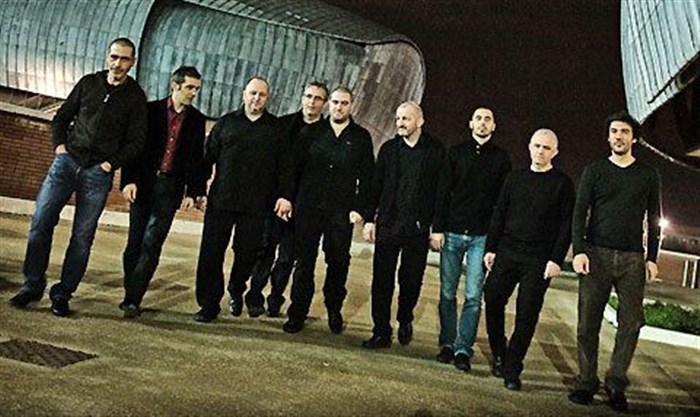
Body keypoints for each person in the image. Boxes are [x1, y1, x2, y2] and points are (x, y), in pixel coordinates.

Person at [9, 37, 147, 316]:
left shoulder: (135, 97)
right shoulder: (89, 83)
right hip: (67, 162)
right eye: (114, 57)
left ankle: (63, 294)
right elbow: (62, 117)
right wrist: (60, 148)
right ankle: (32, 286)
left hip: (98, 173)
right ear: (107, 57)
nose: (117, 63)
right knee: (41, 222)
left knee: (82, 236)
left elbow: (136, 141)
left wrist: (109, 165)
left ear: (132, 63)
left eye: (124, 59)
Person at [568, 111, 662, 412]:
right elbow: (579, 212)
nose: (618, 136)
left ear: (634, 138)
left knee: (631, 324)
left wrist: (652, 258)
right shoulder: (594, 170)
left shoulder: (648, 174)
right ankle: (586, 382)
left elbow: (655, 219)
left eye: (624, 131)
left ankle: (616, 384)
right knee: (587, 324)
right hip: (596, 253)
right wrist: (579, 250)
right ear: (608, 137)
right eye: (614, 131)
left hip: (633, 258)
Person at [192, 77, 293, 323]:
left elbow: (285, 168)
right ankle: (209, 304)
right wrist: (198, 190)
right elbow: (206, 159)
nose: (256, 98)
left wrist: (284, 195)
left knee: (247, 255)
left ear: (267, 98)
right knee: (211, 253)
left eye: (262, 94)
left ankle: (236, 289)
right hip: (221, 201)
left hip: (257, 206)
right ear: (243, 94)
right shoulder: (226, 123)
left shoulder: (276, 129)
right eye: (253, 93)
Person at [483, 129, 575, 390]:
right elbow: (499, 213)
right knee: (492, 298)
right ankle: (499, 353)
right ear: (529, 147)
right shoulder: (515, 178)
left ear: (555, 152)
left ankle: (513, 367)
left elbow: (566, 225)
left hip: (539, 258)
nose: (540, 151)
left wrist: (556, 259)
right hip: (508, 250)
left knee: (527, 313)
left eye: (546, 148)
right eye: (536, 146)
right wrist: (491, 248)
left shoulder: (562, 184)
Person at [283, 86, 374, 334]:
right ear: (328, 104)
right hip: (308, 209)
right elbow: (293, 169)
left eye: (344, 103)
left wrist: (360, 209)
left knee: (338, 263)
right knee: (304, 263)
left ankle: (334, 310)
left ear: (351, 106)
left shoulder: (361, 137)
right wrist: (288, 198)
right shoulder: (311, 133)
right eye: (335, 102)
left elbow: (368, 177)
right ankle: (297, 312)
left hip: (340, 213)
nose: (338, 107)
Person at [119, 66, 207, 318]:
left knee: (152, 243)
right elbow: (134, 147)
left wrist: (193, 192)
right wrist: (128, 180)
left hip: (170, 188)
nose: (194, 93)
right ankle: (130, 291)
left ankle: (134, 299)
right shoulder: (150, 111)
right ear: (175, 85)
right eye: (189, 87)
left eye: (197, 88)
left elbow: (196, 159)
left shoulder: (197, 120)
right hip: (143, 184)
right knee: (134, 243)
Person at [432, 107, 511, 371]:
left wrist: (495, 241)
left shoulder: (501, 159)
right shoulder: (456, 153)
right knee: (447, 292)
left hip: (482, 236)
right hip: (452, 232)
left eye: (487, 119)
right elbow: (442, 191)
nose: (482, 123)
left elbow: (502, 203)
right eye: (478, 118)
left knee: (473, 296)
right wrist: (437, 228)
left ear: (494, 126)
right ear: (470, 124)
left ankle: (463, 349)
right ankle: (447, 344)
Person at [361, 101, 445, 349]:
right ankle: (381, 331)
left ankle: (405, 317)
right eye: (398, 118)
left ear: (420, 121)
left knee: (411, 280)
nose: (400, 123)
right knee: (381, 280)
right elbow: (375, 186)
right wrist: (369, 219)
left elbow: (441, 192)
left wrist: (437, 227)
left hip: (417, 228)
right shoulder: (388, 150)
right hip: (388, 224)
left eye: (405, 119)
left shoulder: (435, 151)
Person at [245, 81, 329, 318]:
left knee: (287, 258)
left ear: (324, 103)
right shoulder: (281, 125)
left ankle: (275, 298)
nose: (312, 102)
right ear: (302, 97)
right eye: (308, 96)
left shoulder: (327, 133)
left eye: (318, 98)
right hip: (274, 202)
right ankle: (254, 296)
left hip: (303, 206)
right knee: (264, 251)